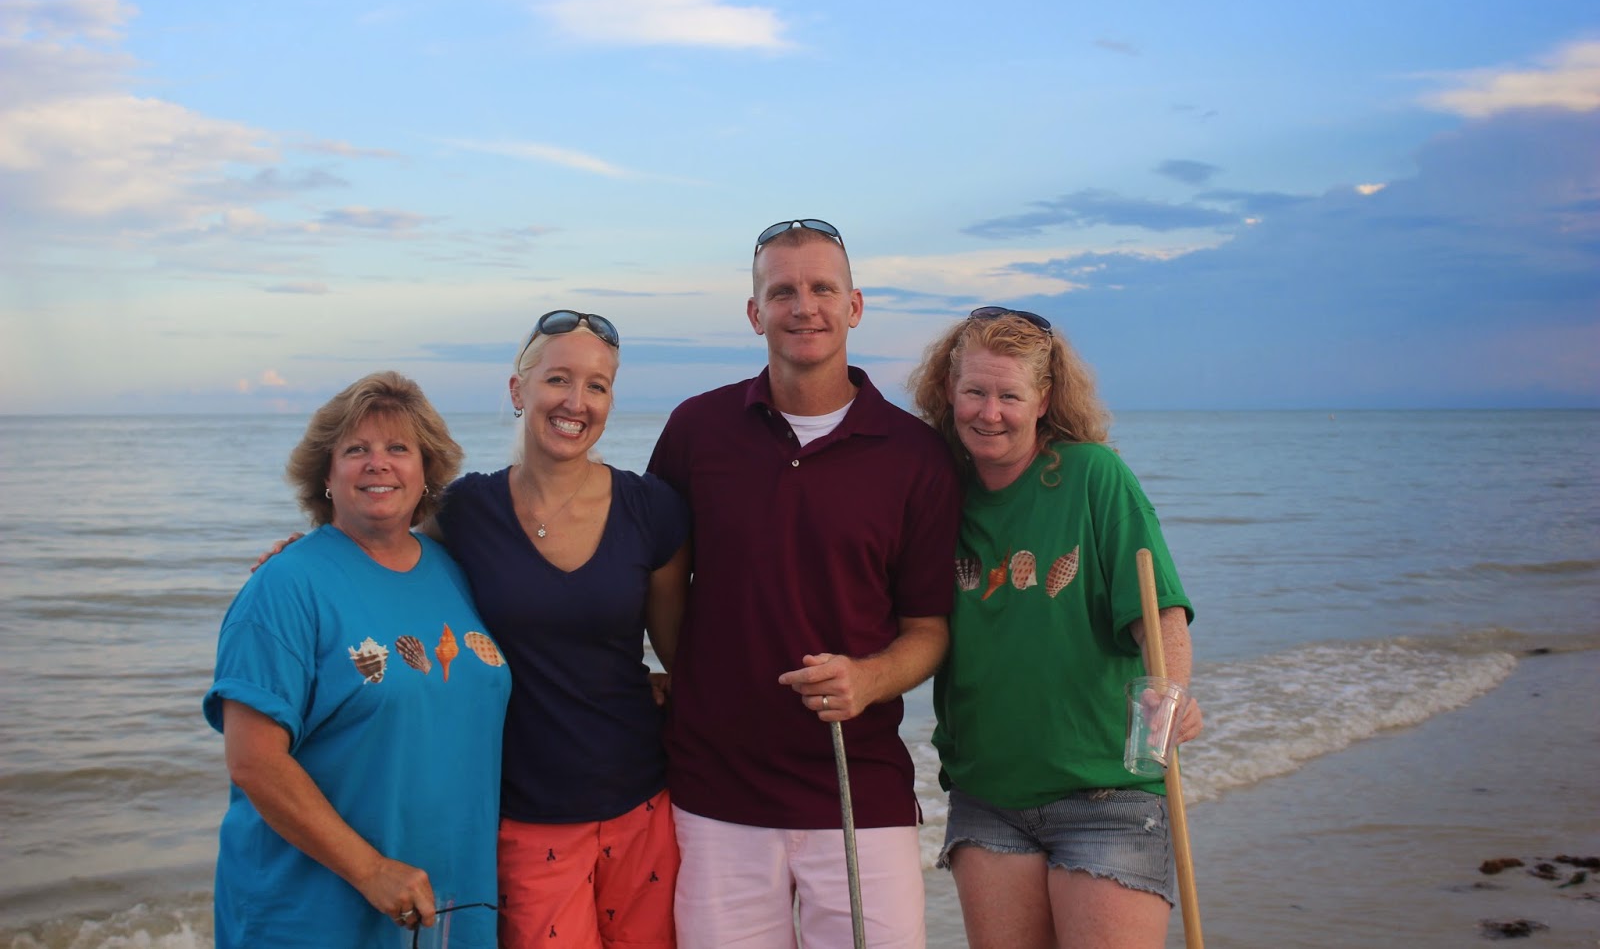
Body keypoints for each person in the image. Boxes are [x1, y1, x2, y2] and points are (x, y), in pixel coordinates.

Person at [647, 219, 962, 948]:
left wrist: (870, 677)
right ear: (755, 312)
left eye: (823, 288)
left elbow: (929, 628)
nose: (804, 307)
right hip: (715, 792)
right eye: (782, 291)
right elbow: (662, 579)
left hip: (860, 790)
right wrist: (692, 675)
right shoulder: (696, 429)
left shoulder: (915, 454)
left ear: (855, 306)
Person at [906, 307, 1204, 949]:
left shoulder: (1094, 476)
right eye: (975, 392)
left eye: (1010, 396)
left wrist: (1170, 691)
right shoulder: (937, 491)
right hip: (987, 795)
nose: (990, 413)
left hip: (1107, 794)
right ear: (949, 391)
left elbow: (1159, 616)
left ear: (1043, 399)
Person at [205, 371, 510, 949]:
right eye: (355, 450)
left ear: (427, 471)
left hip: (449, 903)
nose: (378, 464)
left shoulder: (456, 572)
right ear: (326, 475)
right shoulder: (284, 587)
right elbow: (253, 761)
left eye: (399, 448)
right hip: (312, 914)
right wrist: (370, 870)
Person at [430, 310, 690, 949]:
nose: (576, 402)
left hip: (643, 802)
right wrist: (309, 557)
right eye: (558, 380)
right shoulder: (465, 510)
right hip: (527, 814)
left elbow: (684, 656)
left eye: (597, 385)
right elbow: (384, 571)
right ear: (518, 391)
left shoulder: (652, 507)